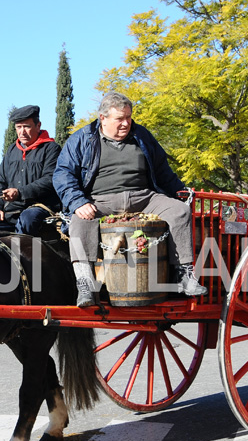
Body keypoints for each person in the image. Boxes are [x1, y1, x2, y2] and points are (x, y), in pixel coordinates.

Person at [53, 92, 207, 306]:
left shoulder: (142, 135)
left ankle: (184, 276)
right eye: (120, 118)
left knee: (180, 211)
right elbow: (62, 174)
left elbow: (163, 171)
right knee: (80, 221)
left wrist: (182, 194)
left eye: (128, 117)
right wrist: (78, 201)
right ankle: (86, 285)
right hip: (101, 201)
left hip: (144, 197)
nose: (126, 123)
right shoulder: (82, 139)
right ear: (103, 118)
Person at [0, 105, 62, 236]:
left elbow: (50, 179)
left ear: (38, 126)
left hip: (41, 208)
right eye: (19, 127)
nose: (22, 132)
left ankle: (30, 256)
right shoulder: (12, 151)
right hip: (12, 211)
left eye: (27, 126)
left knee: (26, 221)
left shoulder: (51, 149)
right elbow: (0, 182)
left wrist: (20, 193)